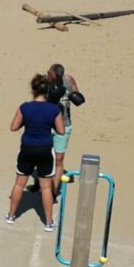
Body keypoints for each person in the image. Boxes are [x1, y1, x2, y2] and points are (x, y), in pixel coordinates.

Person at [6, 74, 65, 230]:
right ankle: (48, 222)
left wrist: (27, 121)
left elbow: (13, 127)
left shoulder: (25, 107)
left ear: (33, 89)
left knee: (19, 184)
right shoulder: (54, 109)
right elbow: (61, 131)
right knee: (46, 187)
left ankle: (11, 215)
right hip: (45, 148)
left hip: (27, 148)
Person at [46, 62, 82, 195]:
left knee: (59, 159)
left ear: (54, 74)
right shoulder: (44, 83)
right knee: (44, 156)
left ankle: (53, 192)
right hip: (46, 125)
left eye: (49, 73)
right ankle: (41, 184)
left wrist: (75, 96)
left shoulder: (69, 80)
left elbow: (77, 96)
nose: (47, 74)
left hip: (64, 124)